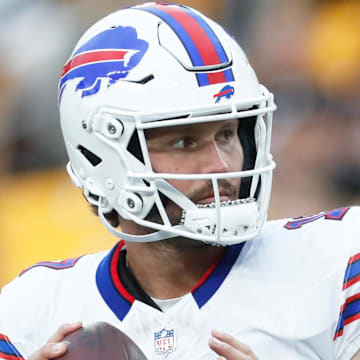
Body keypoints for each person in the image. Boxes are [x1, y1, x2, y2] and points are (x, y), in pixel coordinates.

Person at [1, 2, 360, 360]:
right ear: (102, 159)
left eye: (226, 134)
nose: (220, 166)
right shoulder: (31, 314)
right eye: (184, 142)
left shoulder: (338, 264)